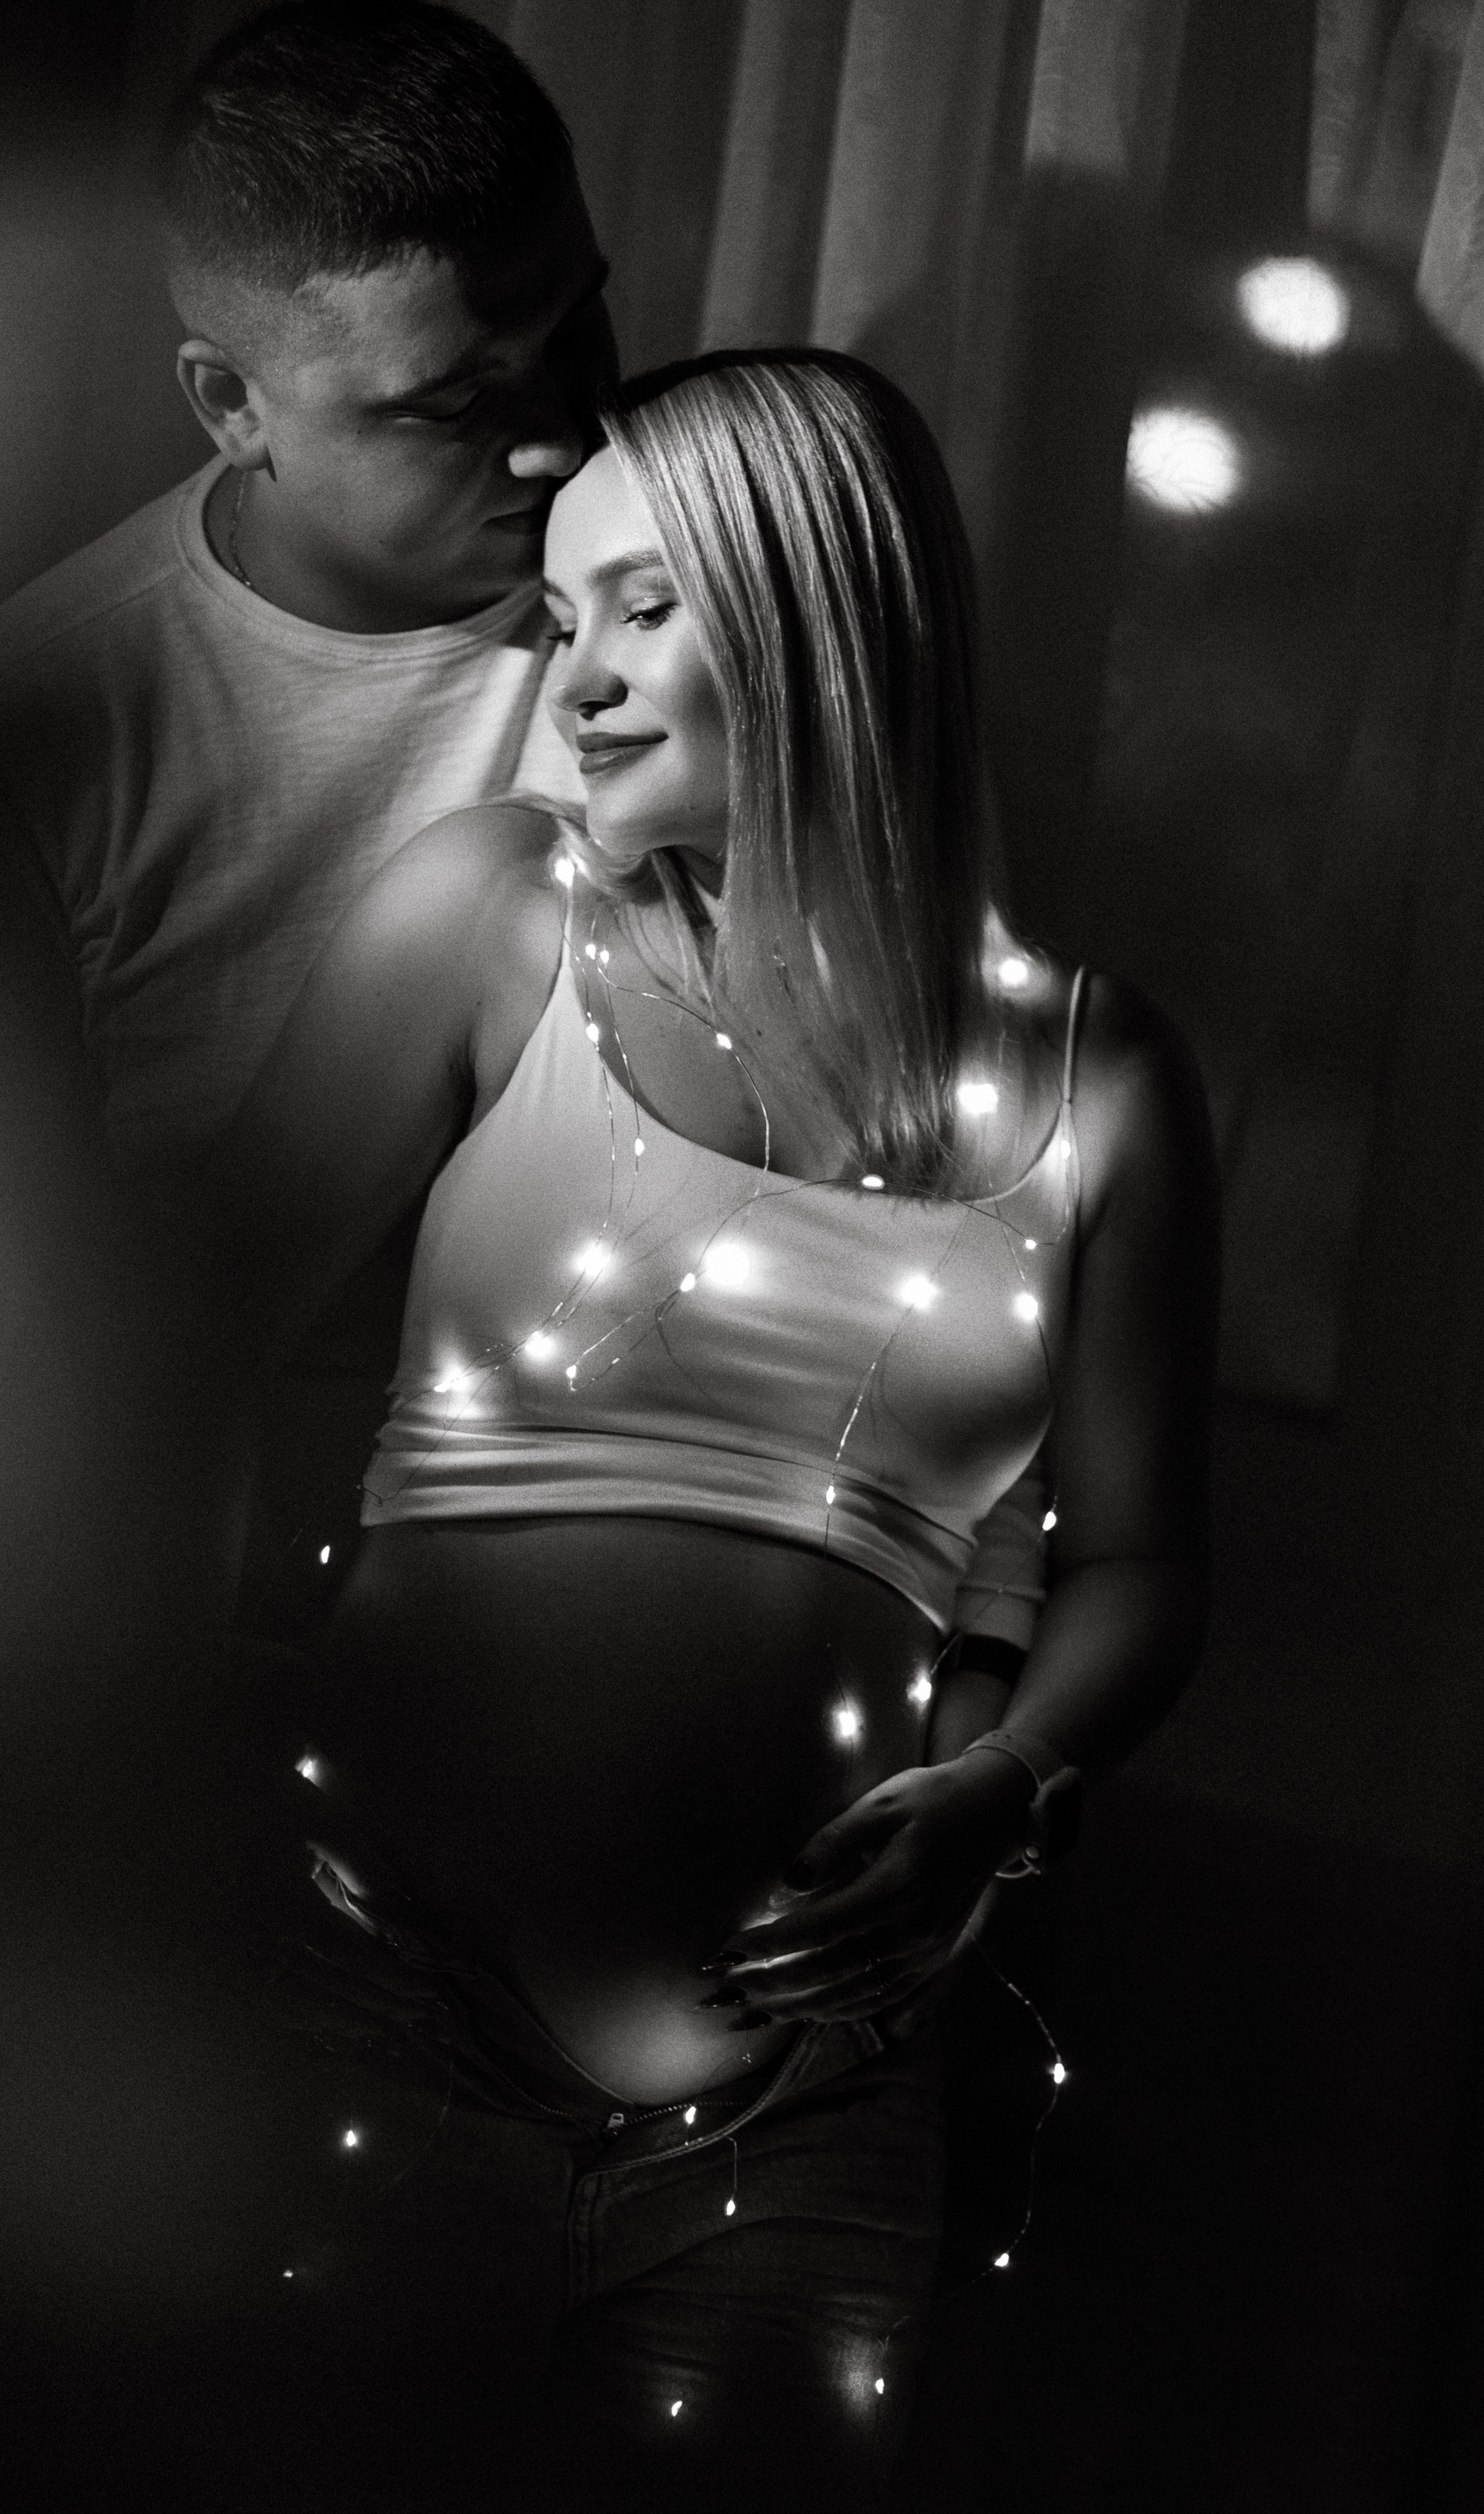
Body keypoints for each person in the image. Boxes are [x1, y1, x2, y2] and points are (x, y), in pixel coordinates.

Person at [218, 351, 1219, 2510]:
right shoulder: (496, 919)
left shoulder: (1103, 1081)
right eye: (560, 614)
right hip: (367, 2028)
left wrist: (1000, 1792)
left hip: (807, 2126)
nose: (574, 677)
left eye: (646, 606)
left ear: (822, 615)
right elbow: (173, 1329)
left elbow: (1141, 1563)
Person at [0, 0, 1048, 1667]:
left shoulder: (712, 627)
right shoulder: (30, 735)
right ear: (231, 402)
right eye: (454, 403)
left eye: (578, 329)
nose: (558, 435)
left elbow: (919, 1142)